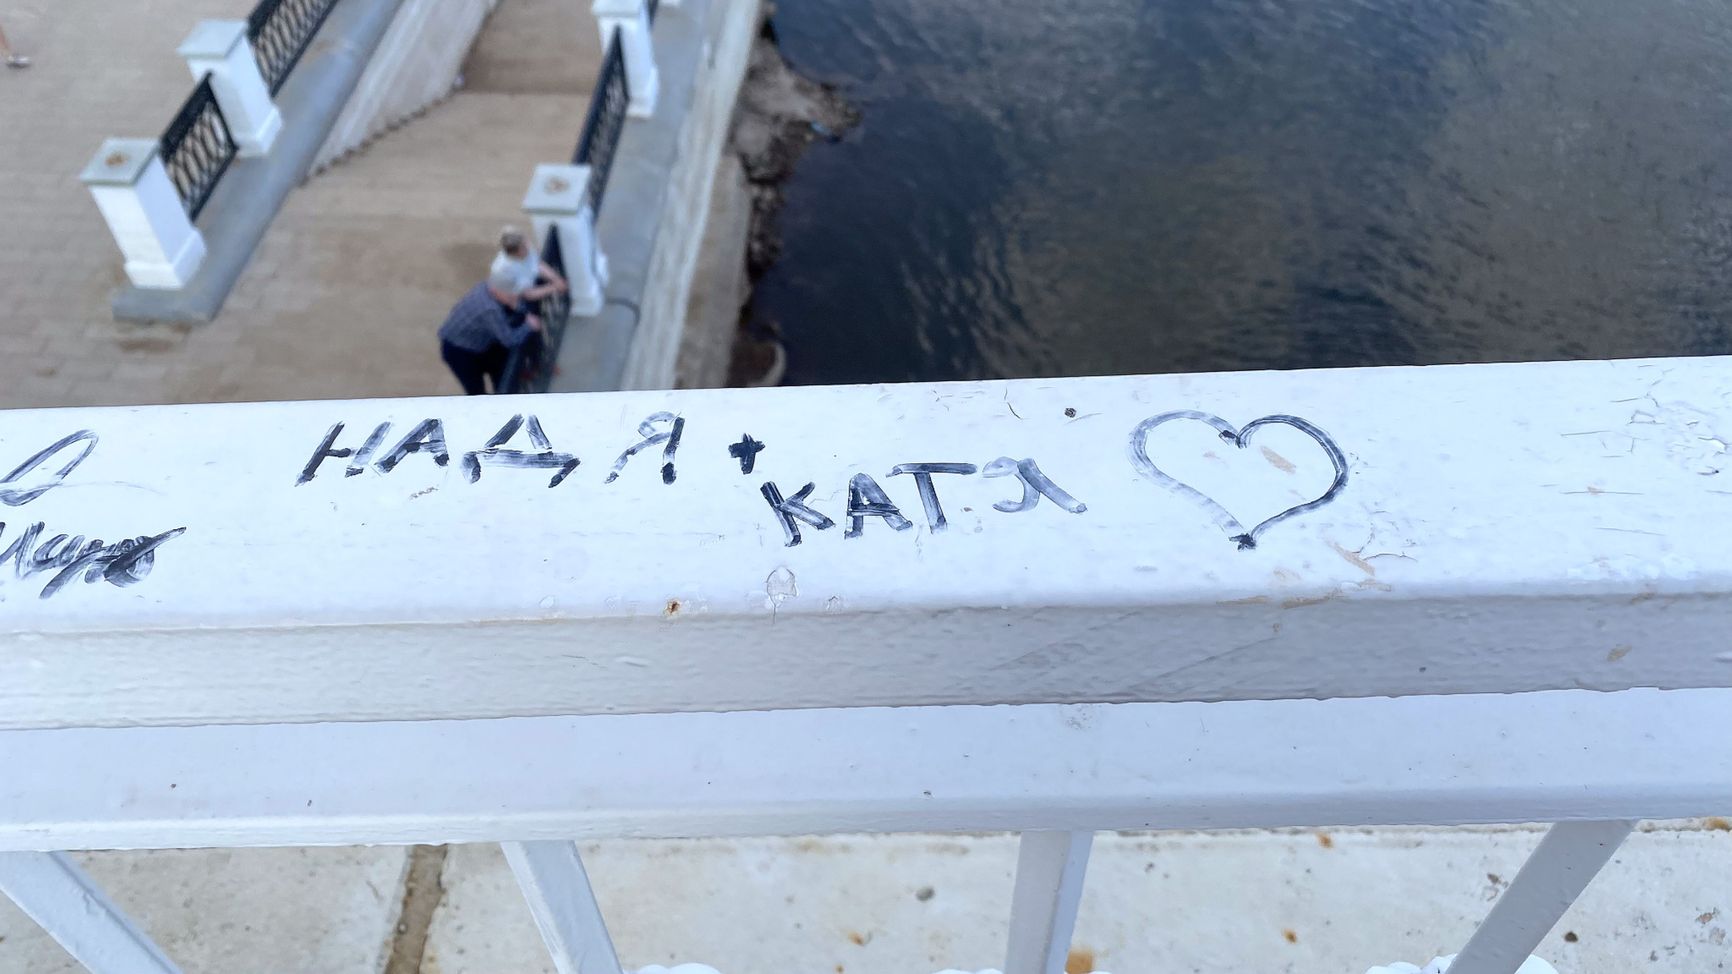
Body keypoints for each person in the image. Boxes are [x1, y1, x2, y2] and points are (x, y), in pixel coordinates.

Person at [438, 270, 540, 395]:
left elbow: (516, 303)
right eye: (510, 295)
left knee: (500, 370)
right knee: (476, 392)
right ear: (495, 291)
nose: (514, 297)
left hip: (478, 342)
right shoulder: (489, 309)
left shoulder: (489, 287)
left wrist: (518, 307)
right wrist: (528, 326)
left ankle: (506, 391)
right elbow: (509, 340)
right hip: (459, 352)